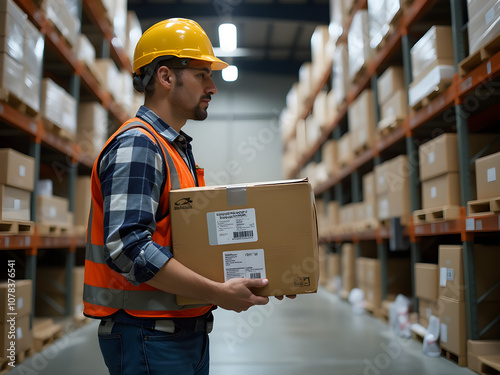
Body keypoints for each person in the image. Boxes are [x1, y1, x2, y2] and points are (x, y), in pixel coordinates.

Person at [82, 18, 283, 375]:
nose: (213, 87)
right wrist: (218, 292)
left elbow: (184, 243)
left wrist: (264, 276)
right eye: (202, 74)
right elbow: (128, 247)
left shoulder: (173, 147)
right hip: (147, 335)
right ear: (166, 76)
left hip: (175, 334)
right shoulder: (139, 144)